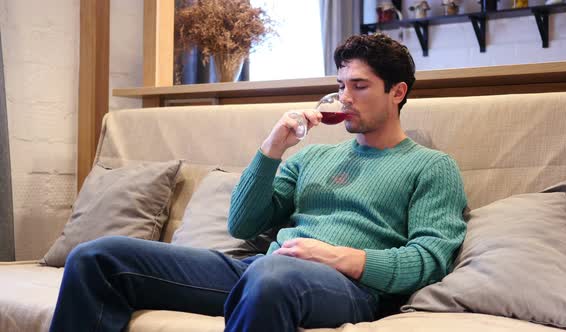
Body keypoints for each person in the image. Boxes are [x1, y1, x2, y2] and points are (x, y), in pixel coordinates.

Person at [49, 33, 467, 332]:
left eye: (359, 87)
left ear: (397, 92)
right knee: (97, 257)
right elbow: (243, 224)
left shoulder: (431, 166)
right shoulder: (313, 156)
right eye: (340, 86)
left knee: (270, 276)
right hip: (261, 271)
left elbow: (429, 259)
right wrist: (272, 148)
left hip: (349, 288)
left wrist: (342, 257)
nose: (345, 98)